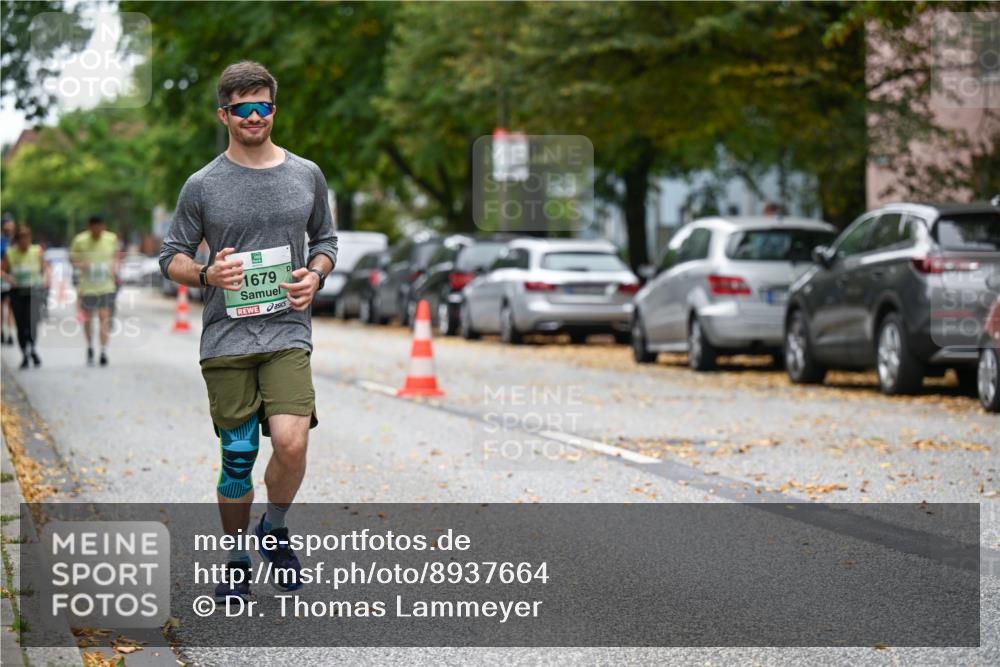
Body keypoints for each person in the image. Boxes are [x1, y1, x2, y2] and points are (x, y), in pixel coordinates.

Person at [159, 61, 337, 602]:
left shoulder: (306, 174)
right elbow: (170, 258)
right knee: (237, 457)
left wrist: (316, 275)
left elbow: (326, 241)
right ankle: (237, 556)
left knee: (291, 440)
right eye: (243, 109)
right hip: (227, 341)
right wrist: (208, 273)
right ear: (225, 115)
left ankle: (274, 527)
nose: (254, 116)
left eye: (263, 106)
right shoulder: (203, 185)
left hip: (287, 333)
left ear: (274, 111)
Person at [69, 215, 119, 366]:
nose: (97, 230)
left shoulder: (111, 238)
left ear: (103, 226)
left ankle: (103, 350)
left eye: (100, 227)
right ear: (89, 227)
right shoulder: (80, 240)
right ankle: (90, 346)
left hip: (106, 286)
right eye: (94, 227)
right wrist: (82, 265)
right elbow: (71, 259)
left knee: (104, 318)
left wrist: (114, 267)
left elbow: (116, 256)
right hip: (88, 287)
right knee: (88, 319)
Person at [1, 225, 48, 368]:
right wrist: (8, 277)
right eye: (21, 238)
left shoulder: (36, 251)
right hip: (17, 293)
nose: (24, 241)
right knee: (21, 325)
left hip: (33, 292)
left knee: (32, 323)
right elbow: (3, 271)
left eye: (27, 238)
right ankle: (25, 353)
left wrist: (46, 279)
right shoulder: (11, 253)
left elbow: (45, 269)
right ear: (17, 239)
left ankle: (32, 348)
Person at [1, 214, 15, 345]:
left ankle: (10, 332)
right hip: (2, 277)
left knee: (11, 306)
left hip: (14, 278)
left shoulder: (16, 241)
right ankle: (2, 331)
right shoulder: (1, 242)